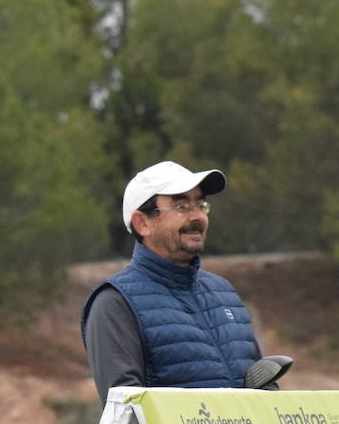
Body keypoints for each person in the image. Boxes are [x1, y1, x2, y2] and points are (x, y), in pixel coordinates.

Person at [82, 160, 287, 395]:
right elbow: (126, 413)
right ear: (142, 223)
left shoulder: (224, 293)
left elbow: (260, 390)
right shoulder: (115, 303)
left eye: (201, 205)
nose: (198, 216)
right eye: (181, 207)